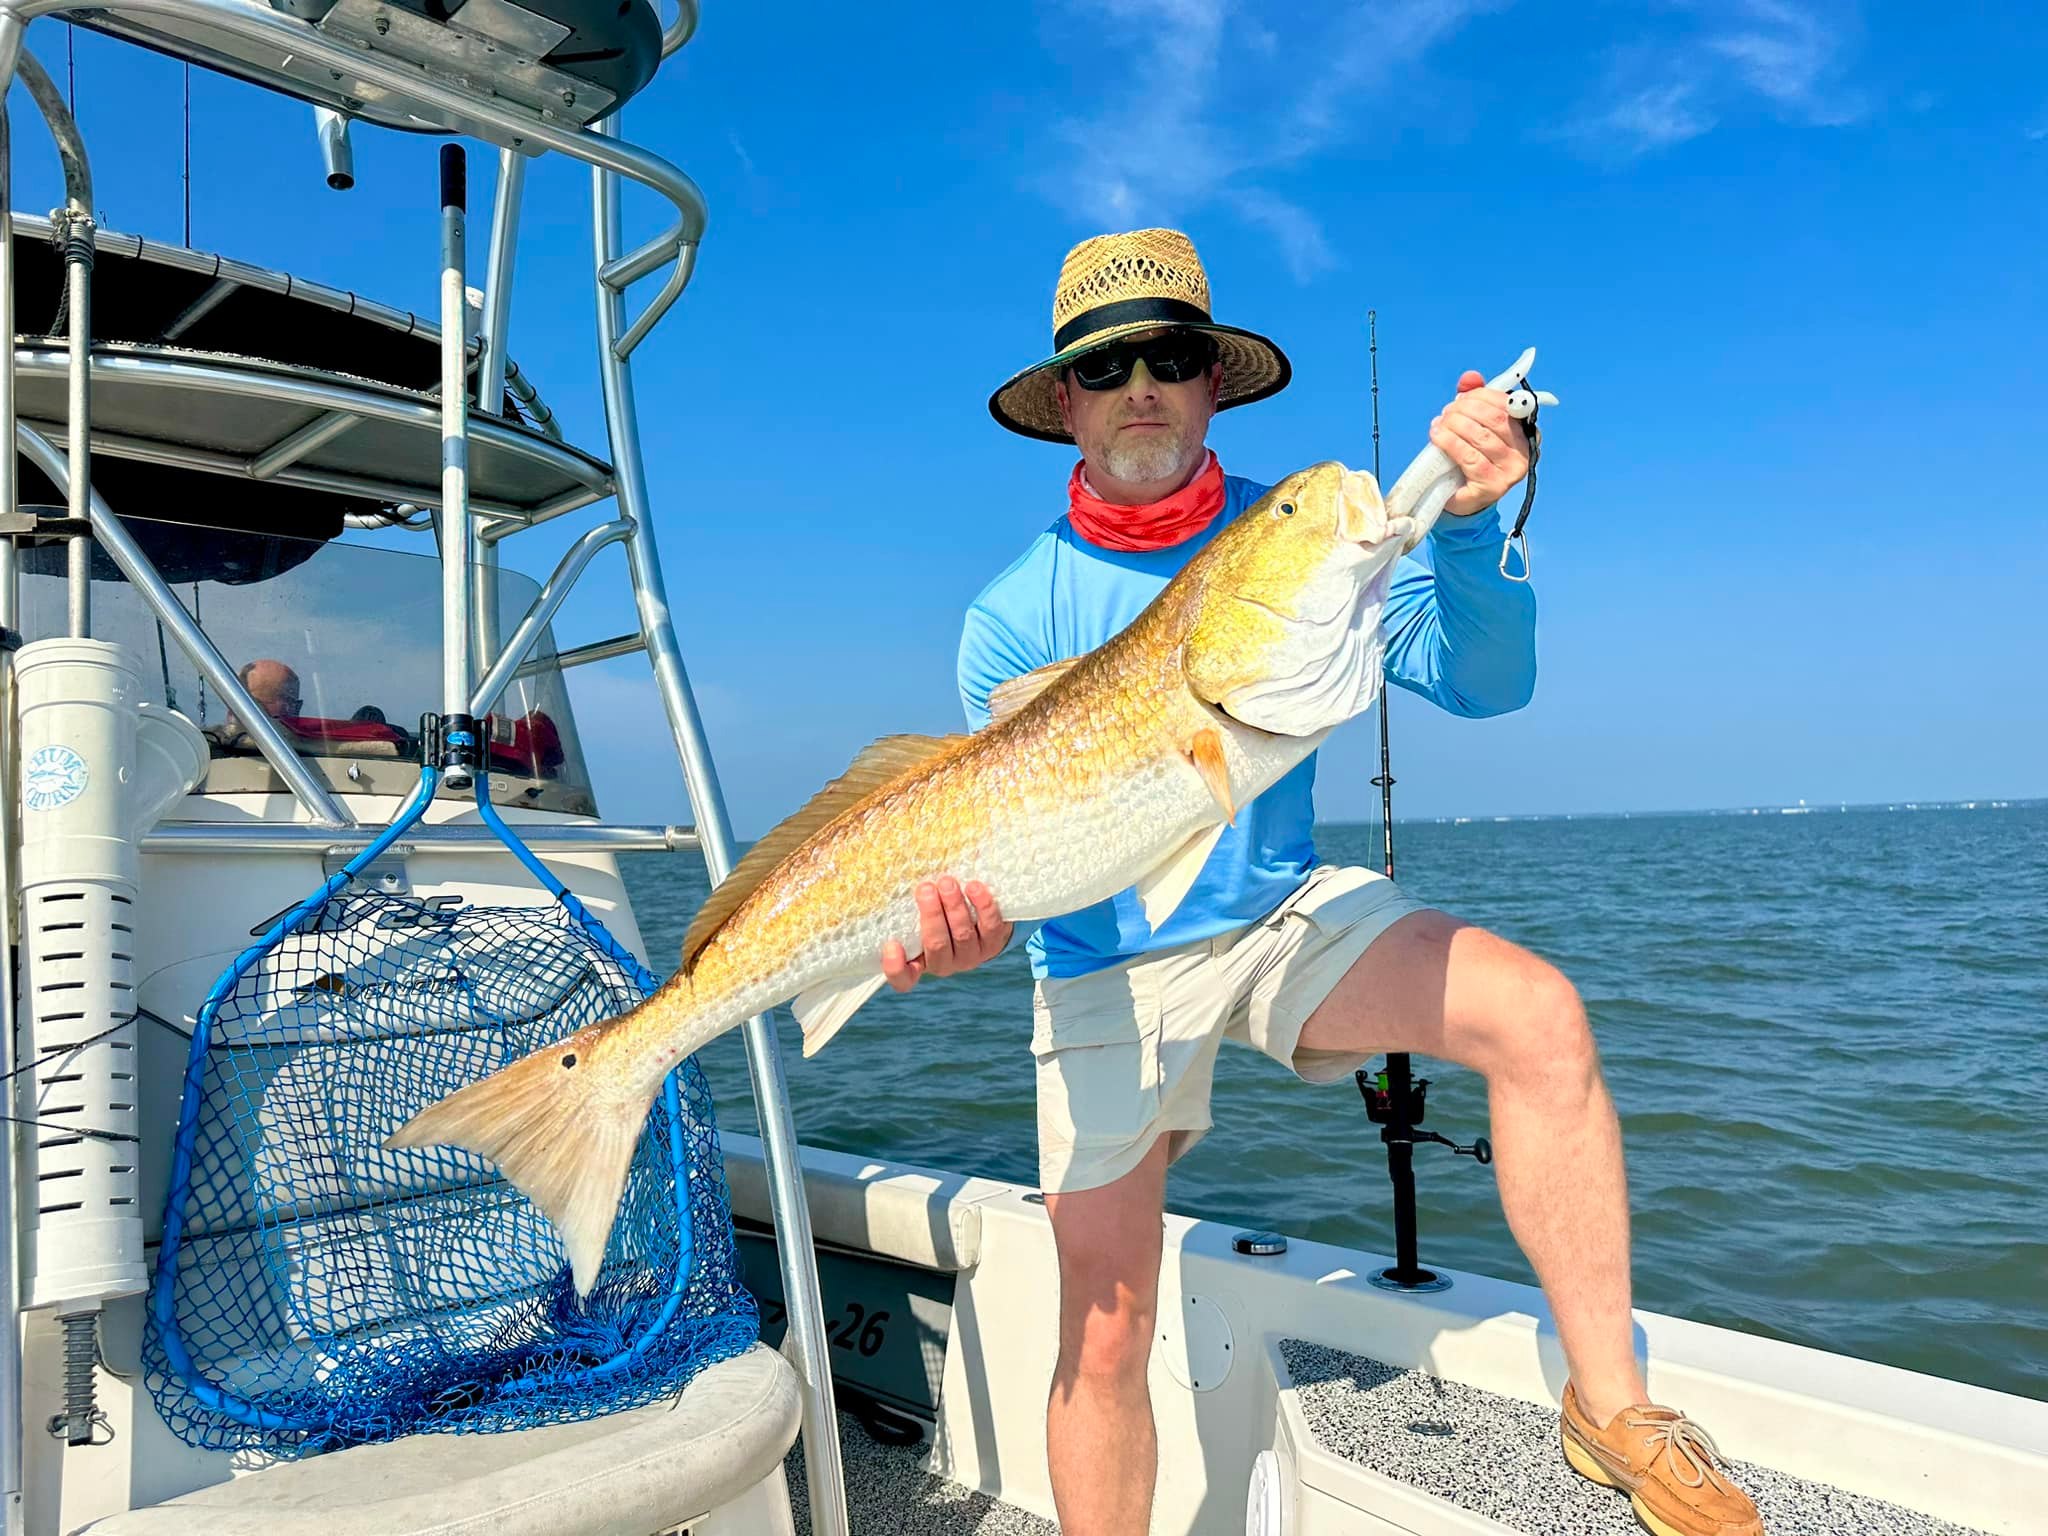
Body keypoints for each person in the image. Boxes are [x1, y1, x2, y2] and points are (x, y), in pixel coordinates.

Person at [885, 229, 1763, 1536]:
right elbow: (1025, 854)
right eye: (1108, 365)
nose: (1141, 386)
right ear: (1065, 402)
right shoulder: (1011, 617)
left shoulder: (1294, 530)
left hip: (1283, 913)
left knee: (1539, 1019)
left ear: (1212, 387)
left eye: (1170, 359)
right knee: (1108, 1322)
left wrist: (1464, 531)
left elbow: (1484, 684)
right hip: (1101, 961)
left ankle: (1613, 1408)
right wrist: (959, 927)